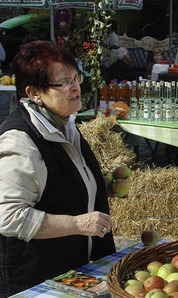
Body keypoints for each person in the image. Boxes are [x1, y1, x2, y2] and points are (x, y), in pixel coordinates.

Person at [0, 40, 116, 296]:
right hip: (37, 278)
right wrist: (76, 224)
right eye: (62, 82)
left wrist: (97, 184)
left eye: (75, 77)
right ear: (33, 93)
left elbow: (58, 182)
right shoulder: (20, 141)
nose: (75, 87)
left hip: (74, 271)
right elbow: (8, 217)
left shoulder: (65, 122)